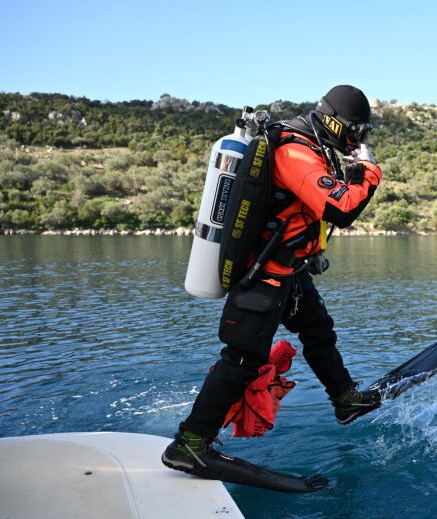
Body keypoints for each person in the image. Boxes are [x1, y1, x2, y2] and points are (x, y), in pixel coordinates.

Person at [162, 85, 382, 477]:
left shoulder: (314, 148)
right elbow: (341, 207)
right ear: (336, 122)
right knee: (242, 360)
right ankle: (190, 445)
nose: (356, 141)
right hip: (263, 277)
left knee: (318, 331)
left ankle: (346, 400)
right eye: (357, 132)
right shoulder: (294, 150)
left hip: (290, 271)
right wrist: (369, 171)